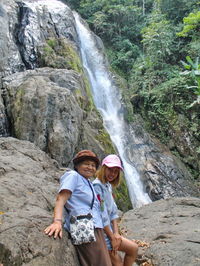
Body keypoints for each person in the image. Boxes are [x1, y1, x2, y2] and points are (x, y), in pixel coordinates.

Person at [44, 150, 112, 266]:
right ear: (77, 165)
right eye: (86, 164)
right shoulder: (73, 176)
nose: (90, 167)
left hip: (96, 227)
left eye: (93, 165)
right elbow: (61, 198)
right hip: (84, 226)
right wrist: (57, 222)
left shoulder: (89, 182)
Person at [93, 154, 138, 266]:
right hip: (103, 235)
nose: (112, 174)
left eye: (116, 171)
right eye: (110, 170)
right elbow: (103, 217)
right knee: (117, 263)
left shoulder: (107, 185)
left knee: (133, 249)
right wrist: (112, 237)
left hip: (111, 233)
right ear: (103, 168)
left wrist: (116, 234)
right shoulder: (97, 186)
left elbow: (113, 212)